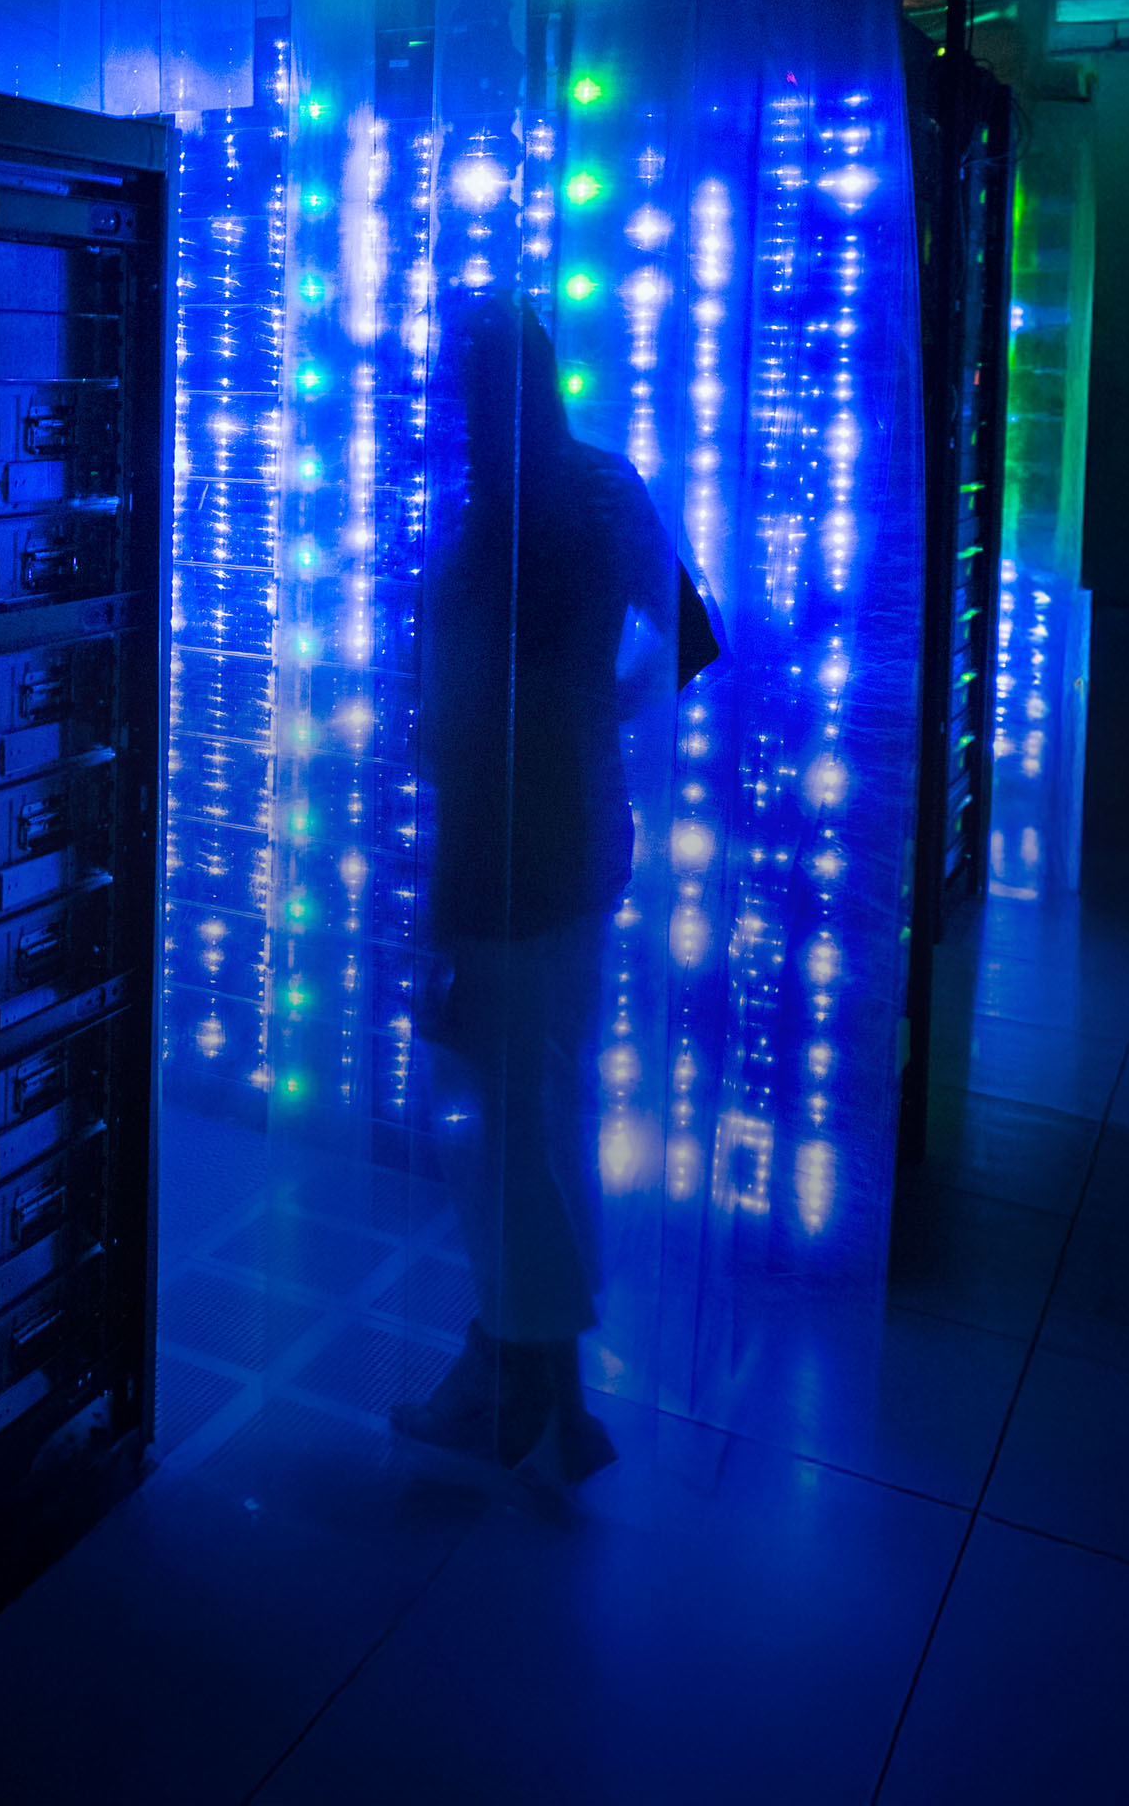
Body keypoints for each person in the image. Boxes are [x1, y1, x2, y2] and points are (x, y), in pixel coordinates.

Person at [392, 288, 713, 1492]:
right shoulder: (600, 485)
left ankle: (522, 1378)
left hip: (501, 854)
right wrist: (599, 716)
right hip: (584, 837)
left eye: (452, 385)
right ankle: (541, 1384)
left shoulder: (493, 522)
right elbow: (691, 632)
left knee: (502, 1125)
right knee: (542, 1106)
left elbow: (454, 723)